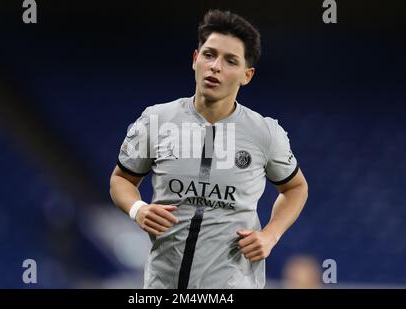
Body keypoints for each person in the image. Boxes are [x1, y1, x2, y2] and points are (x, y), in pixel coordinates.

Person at [109, 9, 308, 289]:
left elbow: (296, 188)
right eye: (209, 55)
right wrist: (137, 208)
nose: (215, 66)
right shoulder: (156, 120)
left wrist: (270, 235)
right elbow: (121, 179)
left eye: (230, 61)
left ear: (246, 75)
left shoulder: (265, 133)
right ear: (195, 59)